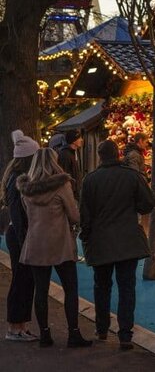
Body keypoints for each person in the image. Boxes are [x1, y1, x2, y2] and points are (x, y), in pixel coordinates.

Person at [80, 140, 155, 350]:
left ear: (99, 156)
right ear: (118, 154)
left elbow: (84, 214)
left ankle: (102, 328)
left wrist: (86, 236)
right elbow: (149, 203)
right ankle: (125, 334)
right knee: (127, 287)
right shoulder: (131, 176)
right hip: (127, 240)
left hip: (101, 240)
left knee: (101, 286)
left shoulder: (90, 180)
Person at [17, 148, 91, 348]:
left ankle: (45, 334)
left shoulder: (26, 189)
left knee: (40, 291)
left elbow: (27, 214)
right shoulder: (62, 185)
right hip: (60, 244)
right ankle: (73, 333)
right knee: (70, 288)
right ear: (54, 162)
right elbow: (74, 216)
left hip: (36, 244)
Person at [3, 130, 39, 342]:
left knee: (24, 279)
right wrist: (26, 239)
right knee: (21, 280)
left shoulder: (14, 178)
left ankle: (20, 326)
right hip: (20, 236)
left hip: (18, 235)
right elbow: (18, 215)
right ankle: (15, 327)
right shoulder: (18, 180)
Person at [57, 130, 83, 199]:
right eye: (79, 138)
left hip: (75, 191)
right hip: (70, 193)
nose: (81, 140)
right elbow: (64, 173)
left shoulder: (74, 152)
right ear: (74, 141)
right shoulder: (65, 155)